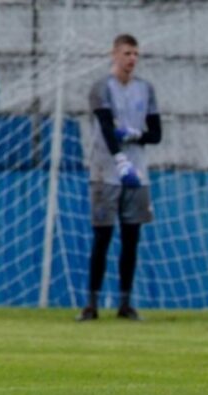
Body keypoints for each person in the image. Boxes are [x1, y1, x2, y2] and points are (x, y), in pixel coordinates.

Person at [76, 34, 162, 322]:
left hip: (137, 176)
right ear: (114, 54)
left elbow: (156, 134)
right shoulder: (101, 88)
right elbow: (104, 126)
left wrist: (135, 135)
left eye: (136, 54)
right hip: (105, 173)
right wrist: (120, 159)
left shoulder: (146, 89)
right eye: (127, 53)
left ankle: (125, 304)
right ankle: (91, 305)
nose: (132, 59)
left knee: (131, 239)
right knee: (102, 238)